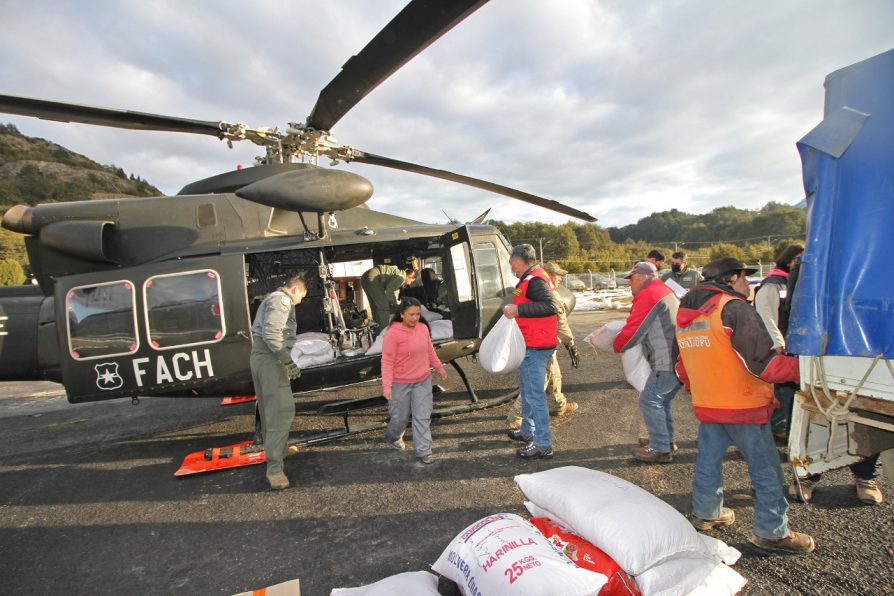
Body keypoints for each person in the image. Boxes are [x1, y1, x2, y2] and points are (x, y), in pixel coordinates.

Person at [675, 257, 815, 554]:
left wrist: (697, 388)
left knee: (708, 462)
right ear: (733, 278)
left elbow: (681, 364)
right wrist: (805, 370)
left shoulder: (686, 312)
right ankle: (772, 532)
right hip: (743, 405)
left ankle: (707, 512)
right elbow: (766, 365)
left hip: (708, 403)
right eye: (745, 279)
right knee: (766, 470)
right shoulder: (733, 308)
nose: (748, 284)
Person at [613, 262, 681, 462]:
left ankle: (660, 448)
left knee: (650, 400)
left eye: (631, 279)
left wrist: (617, 345)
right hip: (676, 356)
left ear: (642, 276)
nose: (629, 284)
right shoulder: (664, 289)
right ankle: (665, 440)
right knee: (662, 400)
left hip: (666, 358)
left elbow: (634, 328)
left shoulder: (649, 294)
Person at [506, 261, 580, 429]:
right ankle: (515, 416)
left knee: (555, 375)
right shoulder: (550, 294)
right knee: (537, 383)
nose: (560, 278)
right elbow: (561, 322)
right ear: (549, 275)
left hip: (541, 342)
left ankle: (559, 405)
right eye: (557, 275)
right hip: (543, 344)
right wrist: (571, 344)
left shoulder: (533, 287)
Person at [250, 275, 307, 490]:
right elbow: (273, 335)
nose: (301, 301)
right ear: (294, 289)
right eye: (302, 295)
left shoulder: (272, 299)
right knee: (280, 410)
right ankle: (274, 468)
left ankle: (280, 449)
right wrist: (287, 362)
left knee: (268, 409)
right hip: (271, 359)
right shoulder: (282, 301)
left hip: (263, 357)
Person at [503, 244, 560, 459]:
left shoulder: (535, 280)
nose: (511, 269)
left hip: (536, 346)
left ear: (519, 261)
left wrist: (518, 310)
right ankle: (528, 431)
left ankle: (543, 443)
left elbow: (550, 305)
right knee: (527, 391)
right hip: (530, 344)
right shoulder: (529, 279)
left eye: (511, 264)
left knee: (535, 396)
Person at [382, 297, 448, 464]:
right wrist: (387, 386)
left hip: (422, 380)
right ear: (402, 314)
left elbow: (430, 350)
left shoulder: (423, 328)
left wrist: (439, 368)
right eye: (411, 314)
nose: (415, 318)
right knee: (400, 418)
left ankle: (424, 451)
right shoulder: (393, 334)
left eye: (418, 314)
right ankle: (393, 437)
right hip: (400, 383)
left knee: (422, 416)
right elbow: (387, 360)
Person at [753, 244, 804, 444]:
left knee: (792, 388)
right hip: (782, 344)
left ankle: (788, 425)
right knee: (783, 388)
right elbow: (766, 316)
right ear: (789, 260)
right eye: (798, 259)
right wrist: (777, 342)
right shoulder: (772, 285)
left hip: (794, 343)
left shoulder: (794, 282)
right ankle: (777, 427)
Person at [361, 259, 418, 335]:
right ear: (408, 277)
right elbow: (389, 291)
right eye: (411, 281)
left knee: (377, 309)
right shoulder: (401, 277)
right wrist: (395, 305)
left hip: (367, 278)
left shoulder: (399, 274)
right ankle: (383, 336)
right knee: (383, 308)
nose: (409, 283)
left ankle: (377, 334)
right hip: (372, 277)